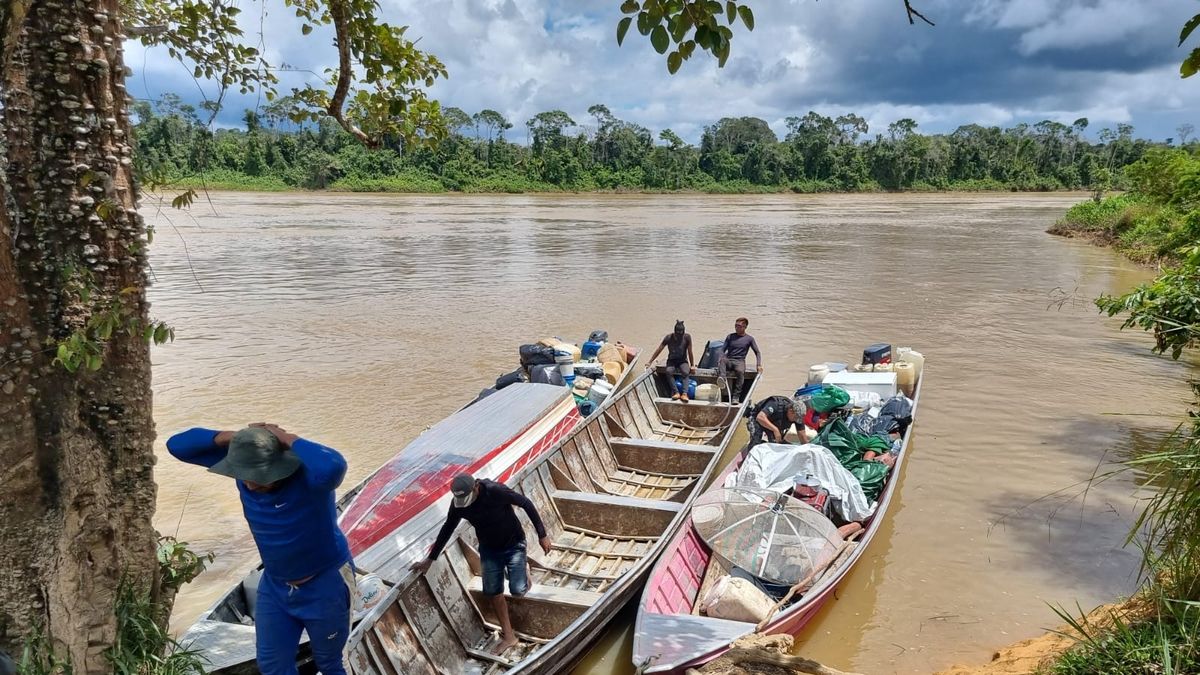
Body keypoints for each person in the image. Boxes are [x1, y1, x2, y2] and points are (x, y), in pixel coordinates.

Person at [166, 424, 354, 675]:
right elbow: (176, 445)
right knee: (272, 666)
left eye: (260, 477)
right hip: (276, 587)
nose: (250, 484)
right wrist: (239, 440)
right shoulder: (243, 466)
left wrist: (286, 438)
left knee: (330, 663)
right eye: (244, 474)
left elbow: (333, 465)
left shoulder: (310, 476)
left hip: (325, 584)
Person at [410, 473, 553, 655]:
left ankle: (523, 567)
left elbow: (526, 503)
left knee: (518, 590)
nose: (465, 503)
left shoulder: (496, 491)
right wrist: (430, 559)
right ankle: (509, 636)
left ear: (476, 487)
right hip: (489, 549)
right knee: (493, 592)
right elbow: (448, 527)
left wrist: (542, 535)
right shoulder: (458, 504)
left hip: (514, 543)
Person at [645, 320, 695, 402]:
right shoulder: (668, 338)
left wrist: (692, 365)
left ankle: (685, 394)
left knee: (686, 372)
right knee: (668, 371)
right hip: (672, 360)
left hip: (683, 360)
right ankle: (676, 392)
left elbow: (690, 352)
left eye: (681, 334)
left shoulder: (687, 337)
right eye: (678, 334)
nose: (679, 337)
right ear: (674, 332)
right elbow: (659, 349)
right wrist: (650, 361)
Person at [718, 317, 762, 404]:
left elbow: (757, 352)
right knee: (722, 360)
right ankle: (722, 379)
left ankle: (736, 397)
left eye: (739, 326)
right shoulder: (730, 336)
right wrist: (720, 358)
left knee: (740, 372)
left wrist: (759, 365)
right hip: (729, 359)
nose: (736, 328)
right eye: (735, 326)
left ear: (745, 327)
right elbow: (722, 350)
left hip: (740, 361)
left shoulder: (749, 339)